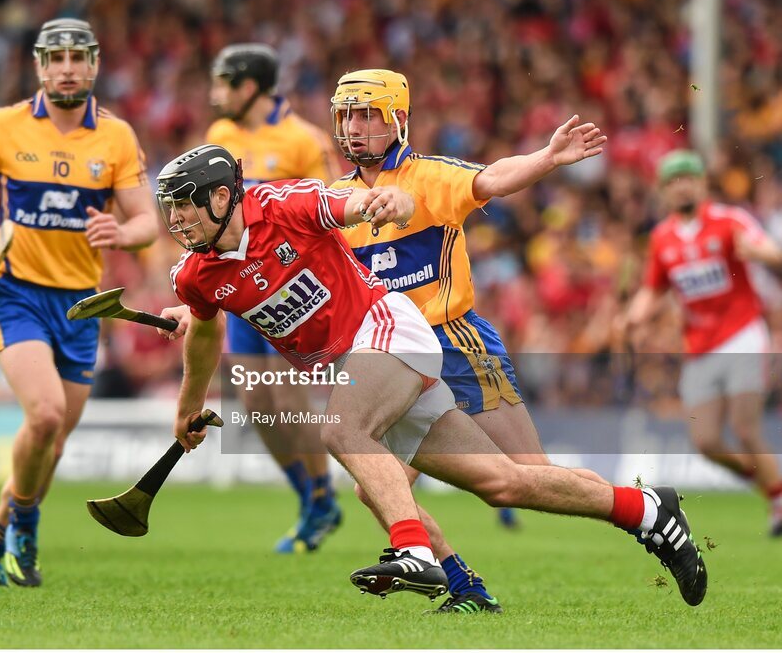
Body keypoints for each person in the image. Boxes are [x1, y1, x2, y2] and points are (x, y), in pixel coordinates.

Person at [155, 143, 708, 609]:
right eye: (171, 209)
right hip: (360, 367)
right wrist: (188, 405)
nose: (176, 220)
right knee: (505, 484)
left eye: (185, 206)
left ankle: (414, 550)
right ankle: (649, 511)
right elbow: (205, 336)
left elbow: (347, 203)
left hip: (389, 328)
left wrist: (384, 199)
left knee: (341, 432)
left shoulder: (282, 203)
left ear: (223, 197)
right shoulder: (196, 276)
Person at [327, 69, 609, 613]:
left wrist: (545, 159)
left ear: (397, 120)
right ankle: (464, 585)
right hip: (392, 358)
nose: (354, 127)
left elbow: (494, 179)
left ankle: (644, 512)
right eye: (346, 115)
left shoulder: (429, 175)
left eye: (366, 115)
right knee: (374, 487)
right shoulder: (336, 201)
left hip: (454, 342)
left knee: (531, 475)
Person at [0, 18, 159, 587]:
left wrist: (122, 234)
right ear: (39, 66)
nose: (67, 68)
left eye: (78, 57)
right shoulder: (2, 126)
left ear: (94, 65)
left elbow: (148, 221)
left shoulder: (116, 136)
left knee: (51, 446)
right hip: (14, 292)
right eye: (56, 58)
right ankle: (26, 528)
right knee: (46, 413)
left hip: (82, 304)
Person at [206, 43, 344, 553]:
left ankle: (324, 495)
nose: (215, 93)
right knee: (257, 406)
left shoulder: (304, 140)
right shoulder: (220, 137)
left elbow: (332, 208)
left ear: (248, 87)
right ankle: (311, 499)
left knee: (287, 399)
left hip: (290, 292)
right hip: (240, 294)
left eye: (223, 83)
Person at [624, 149, 782, 537]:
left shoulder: (729, 220)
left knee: (745, 427)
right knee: (706, 440)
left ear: (701, 183)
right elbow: (653, 289)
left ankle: (778, 502)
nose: (681, 187)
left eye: (687, 178)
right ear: (664, 191)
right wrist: (634, 315)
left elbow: (769, 251)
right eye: (672, 181)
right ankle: (757, 473)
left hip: (743, 334)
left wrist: (763, 253)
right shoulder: (662, 238)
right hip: (698, 347)